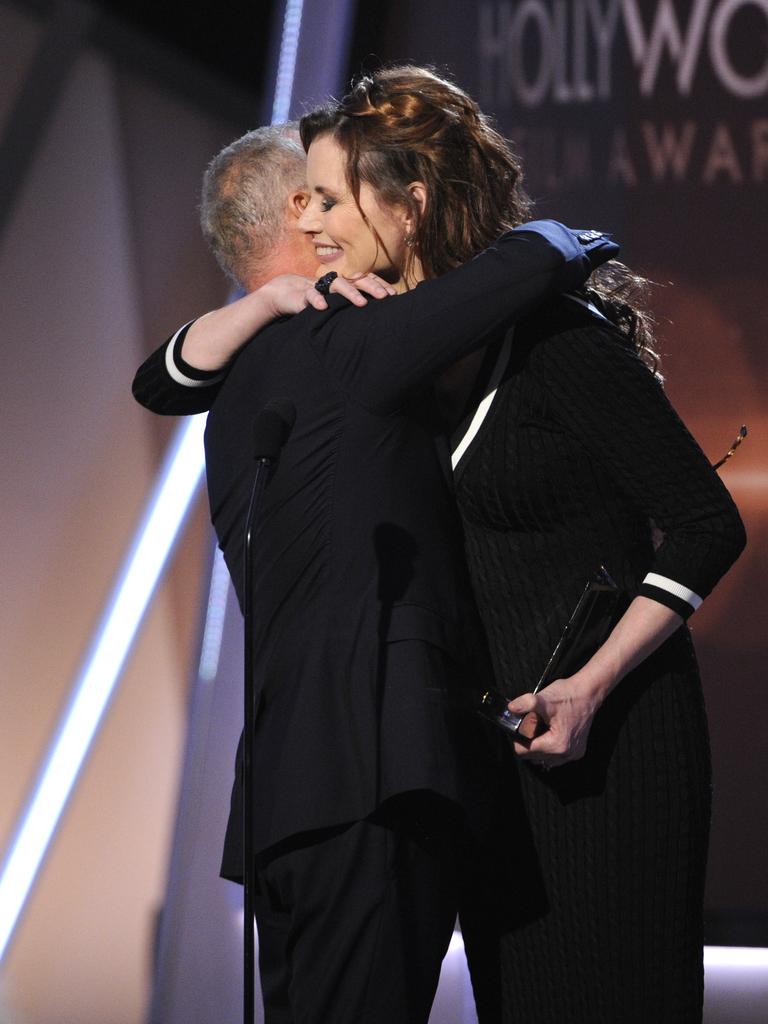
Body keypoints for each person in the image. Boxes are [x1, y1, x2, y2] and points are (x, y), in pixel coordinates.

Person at [132, 91, 618, 1022]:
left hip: (285, 792)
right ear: (298, 216)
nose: (336, 212)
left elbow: (159, 379)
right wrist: (577, 235)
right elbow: (521, 265)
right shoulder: (341, 339)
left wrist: (266, 300)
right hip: (373, 774)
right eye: (326, 193)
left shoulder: (239, 381)